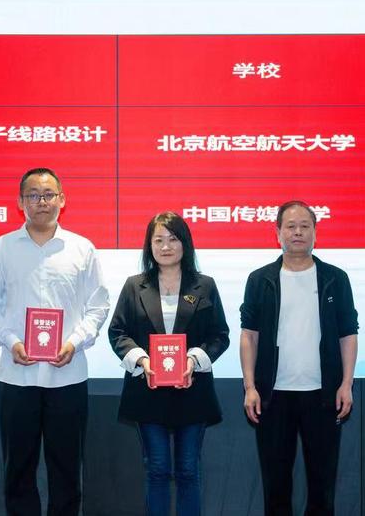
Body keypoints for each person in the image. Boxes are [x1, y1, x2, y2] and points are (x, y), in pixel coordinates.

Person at [0, 167, 110, 516]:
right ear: (20, 202)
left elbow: (98, 305)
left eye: (48, 194)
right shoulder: (1, 249)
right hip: (16, 378)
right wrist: (10, 341)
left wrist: (75, 341)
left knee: (67, 471)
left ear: (62, 200)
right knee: (18, 471)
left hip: (68, 377)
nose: (41, 201)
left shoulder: (82, 249)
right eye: (33, 195)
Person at [239, 200, 359, 516]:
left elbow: (348, 333)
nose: (298, 232)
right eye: (290, 226)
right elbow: (249, 335)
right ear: (277, 232)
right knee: (276, 486)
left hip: (323, 395)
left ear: (315, 232)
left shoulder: (335, 278)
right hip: (272, 396)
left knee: (322, 487)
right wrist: (250, 387)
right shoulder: (260, 280)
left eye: (305, 226)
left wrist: (346, 383)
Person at [109, 211, 230, 516]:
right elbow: (118, 332)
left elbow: (219, 335)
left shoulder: (205, 285)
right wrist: (142, 359)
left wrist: (193, 359)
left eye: (173, 239)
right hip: (147, 390)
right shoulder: (134, 285)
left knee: (188, 470)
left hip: (192, 390)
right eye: (158, 240)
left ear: (185, 243)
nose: (165, 246)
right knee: (158, 469)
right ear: (149, 246)